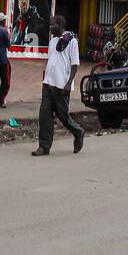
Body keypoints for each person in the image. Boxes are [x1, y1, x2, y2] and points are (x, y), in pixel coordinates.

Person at [32, 15, 85, 157]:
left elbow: (75, 64)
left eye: (52, 25)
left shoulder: (72, 41)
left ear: (60, 25)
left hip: (62, 86)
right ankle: (44, 146)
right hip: (48, 83)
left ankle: (78, 132)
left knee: (63, 116)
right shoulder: (53, 41)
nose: (50, 28)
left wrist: (68, 83)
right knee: (44, 115)